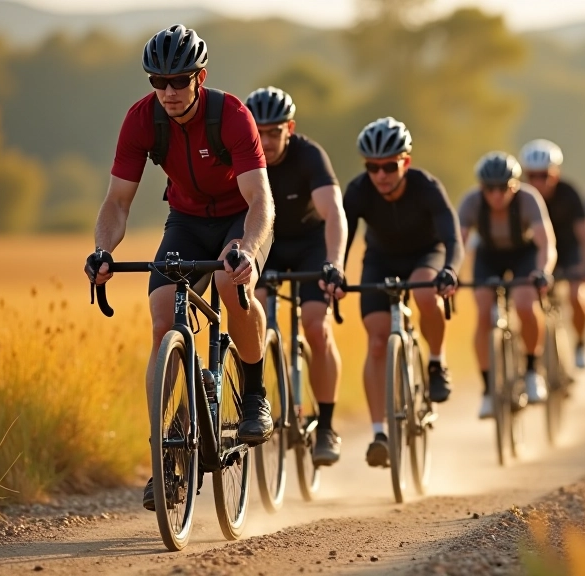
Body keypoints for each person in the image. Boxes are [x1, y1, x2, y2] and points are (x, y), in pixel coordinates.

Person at [84, 25, 275, 511]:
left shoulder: (230, 115)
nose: (168, 91)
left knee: (234, 290)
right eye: (158, 81)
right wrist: (103, 250)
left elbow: (259, 200)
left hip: (239, 217)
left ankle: (254, 393)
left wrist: (249, 251)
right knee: (164, 320)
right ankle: (163, 457)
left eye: (178, 80)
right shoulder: (142, 120)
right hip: (187, 220)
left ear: (199, 77)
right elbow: (117, 204)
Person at [333, 117, 462, 468]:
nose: (381, 175)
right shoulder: (359, 190)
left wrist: (450, 270)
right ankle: (380, 434)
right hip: (381, 260)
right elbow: (341, 238)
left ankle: (436, 363)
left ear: (405, 162)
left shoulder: (426, 187)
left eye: (389, 166)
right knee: (377, 342)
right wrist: (337, 272)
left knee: (424, 295)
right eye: (373, 167)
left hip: (426, 254)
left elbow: (452, 238)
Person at [246, 86, 347, 466]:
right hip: (265, 243)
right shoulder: (242, 153)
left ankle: (326, 426)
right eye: (259, 132)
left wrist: (334, 261)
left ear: (290, 128)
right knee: (250, 312)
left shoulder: (309, 156)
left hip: (309, 247)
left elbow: (334, 213)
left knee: (315, 324)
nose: (267, 141)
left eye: (274, 132)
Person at [458, 152, 557, 420]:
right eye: (489, 189)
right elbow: (459, 244)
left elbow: (546, 243)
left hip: (523, 255)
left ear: (515, 185)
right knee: (482, 313)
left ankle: (532, 370)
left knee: (526, 304)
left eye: (503, 188)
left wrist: (542, 271)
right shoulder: (470, 202)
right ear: (481, 188)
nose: (496, 195)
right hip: (488, 257)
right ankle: (488, 389)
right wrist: (451, 272)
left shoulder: (528, 199)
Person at [518, 139, 585, 369]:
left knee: (577, 295)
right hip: (536, 254)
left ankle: (581, 344)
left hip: (568, 251)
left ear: (556, 173)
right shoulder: (520, 196)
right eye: (532, 175)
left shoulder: (569, 193)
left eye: (544, 175)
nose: (538, 181)